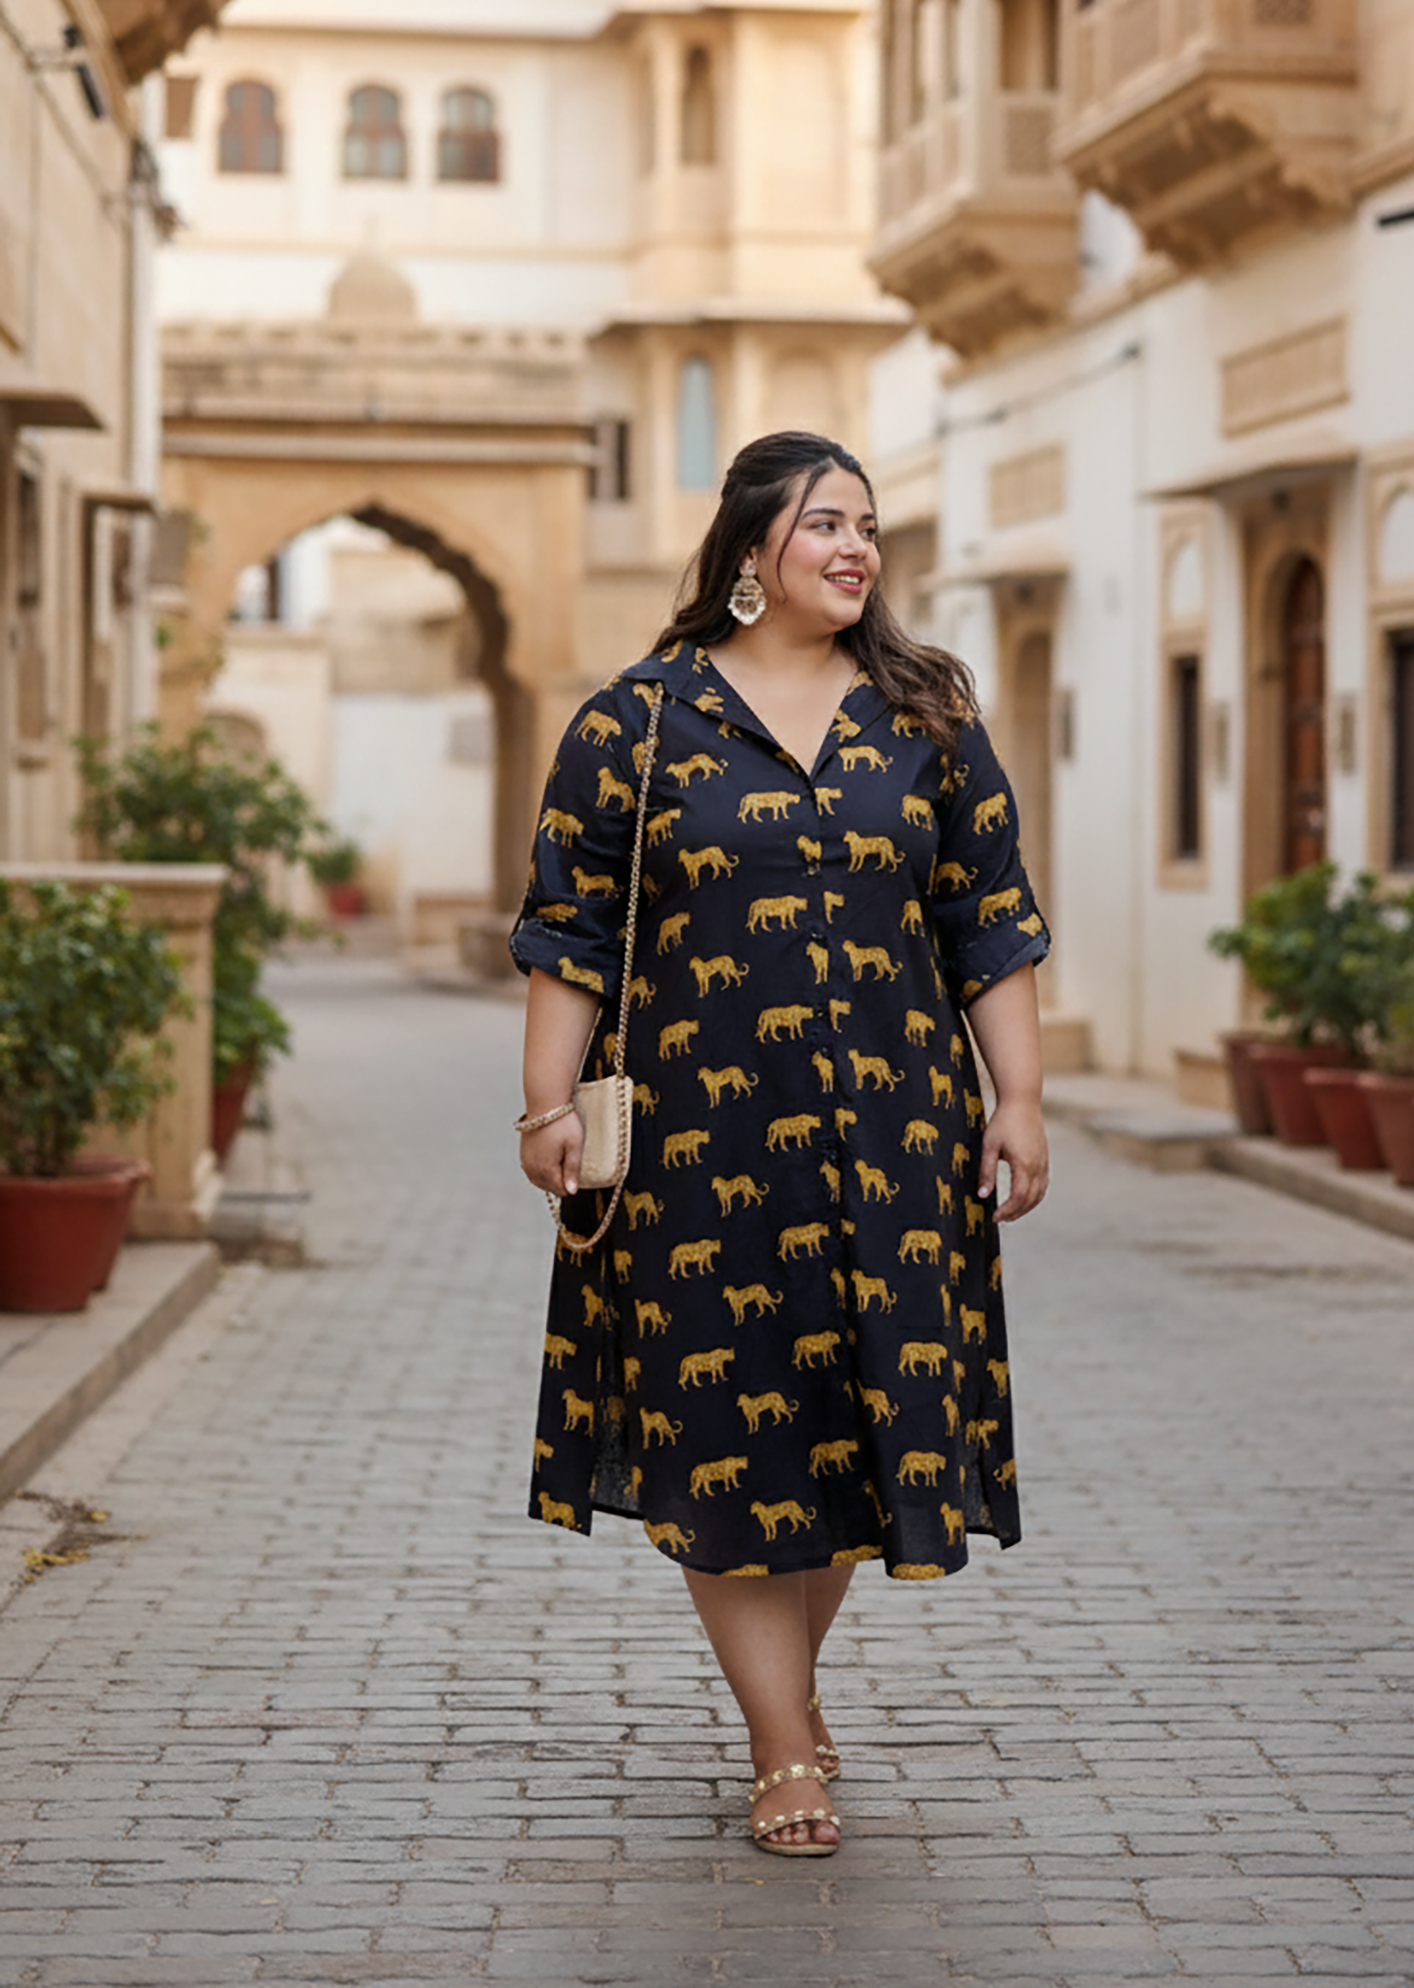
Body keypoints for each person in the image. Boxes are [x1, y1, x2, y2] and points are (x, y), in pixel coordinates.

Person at [511, 430, 1049, 1856]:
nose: (856, 548)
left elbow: (989, 919)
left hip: (898, 1141)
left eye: (868, 526)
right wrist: (547, 1104)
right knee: (724, 1436)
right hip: (699, 1153)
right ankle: (779, 1742)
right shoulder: (635, 724)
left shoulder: (926, 717)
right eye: (824, 524)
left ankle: (787, 1700)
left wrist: (1024, 1100)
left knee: (843, 1437)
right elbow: (568, 929)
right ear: (753, 552)